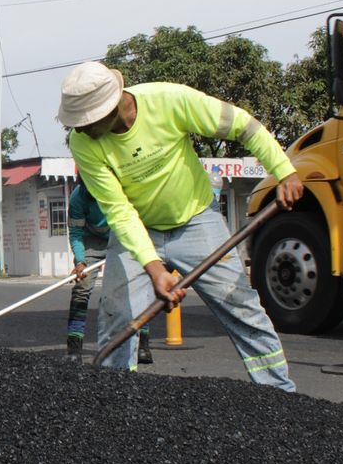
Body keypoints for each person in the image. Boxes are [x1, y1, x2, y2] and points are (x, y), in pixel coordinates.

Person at [56, 61, 302, 391]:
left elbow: (243, 125)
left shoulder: (169, 101)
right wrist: (154, 268)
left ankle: (280, 394)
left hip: (197, 220)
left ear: (110, 106)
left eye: (85, 122)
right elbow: (119, 210)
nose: (80, 130)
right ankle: (114, 403)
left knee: (241, 307)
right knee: (117, 317)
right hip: (138, 229)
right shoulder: (83, 144)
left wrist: (283, 170)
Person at [65, 172, 153, 364]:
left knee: (136, 288)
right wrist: (80, 262)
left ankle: (143, 346)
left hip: (121, 237)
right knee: (81, 288)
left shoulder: (122, 190)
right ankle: (74, 348)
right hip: (92, 241)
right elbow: (76, 233)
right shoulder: (78, 197)